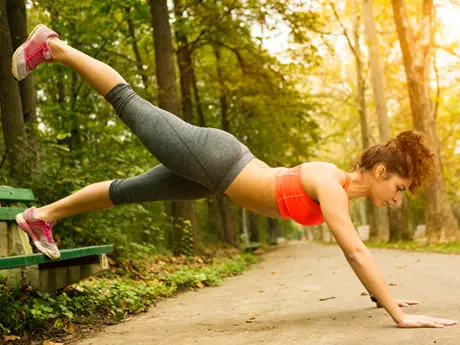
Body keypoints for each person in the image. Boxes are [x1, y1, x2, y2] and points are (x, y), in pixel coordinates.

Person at [11, 24, 456, 329]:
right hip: (217, 157)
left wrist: (385, 298)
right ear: (379, 171)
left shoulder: (337, 188)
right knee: (128, 102)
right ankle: (55, 47)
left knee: (128, 192)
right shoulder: (330, 182)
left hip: (214, 177)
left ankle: (41, 216)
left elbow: (359, 255)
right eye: (398, 188)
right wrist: (398, 314)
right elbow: (357, 252)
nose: (397, 199)